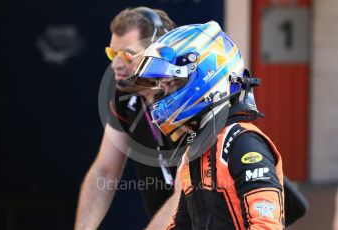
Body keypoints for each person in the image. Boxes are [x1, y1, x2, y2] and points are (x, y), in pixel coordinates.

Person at [130, 21, 285, 229]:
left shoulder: (243, 143)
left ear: (205, 74)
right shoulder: (196, 150)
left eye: (172, 83)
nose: (164, 95)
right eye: (164, 86)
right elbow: (182, 225)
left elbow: (266, 226)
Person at [75, 7, 176, 230]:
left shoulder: (187, 98)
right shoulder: (124, 94)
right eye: (113, 54)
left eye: (126, 55)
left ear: (158, 53)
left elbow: (186, 191)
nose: (116, 65)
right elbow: (104, 171)